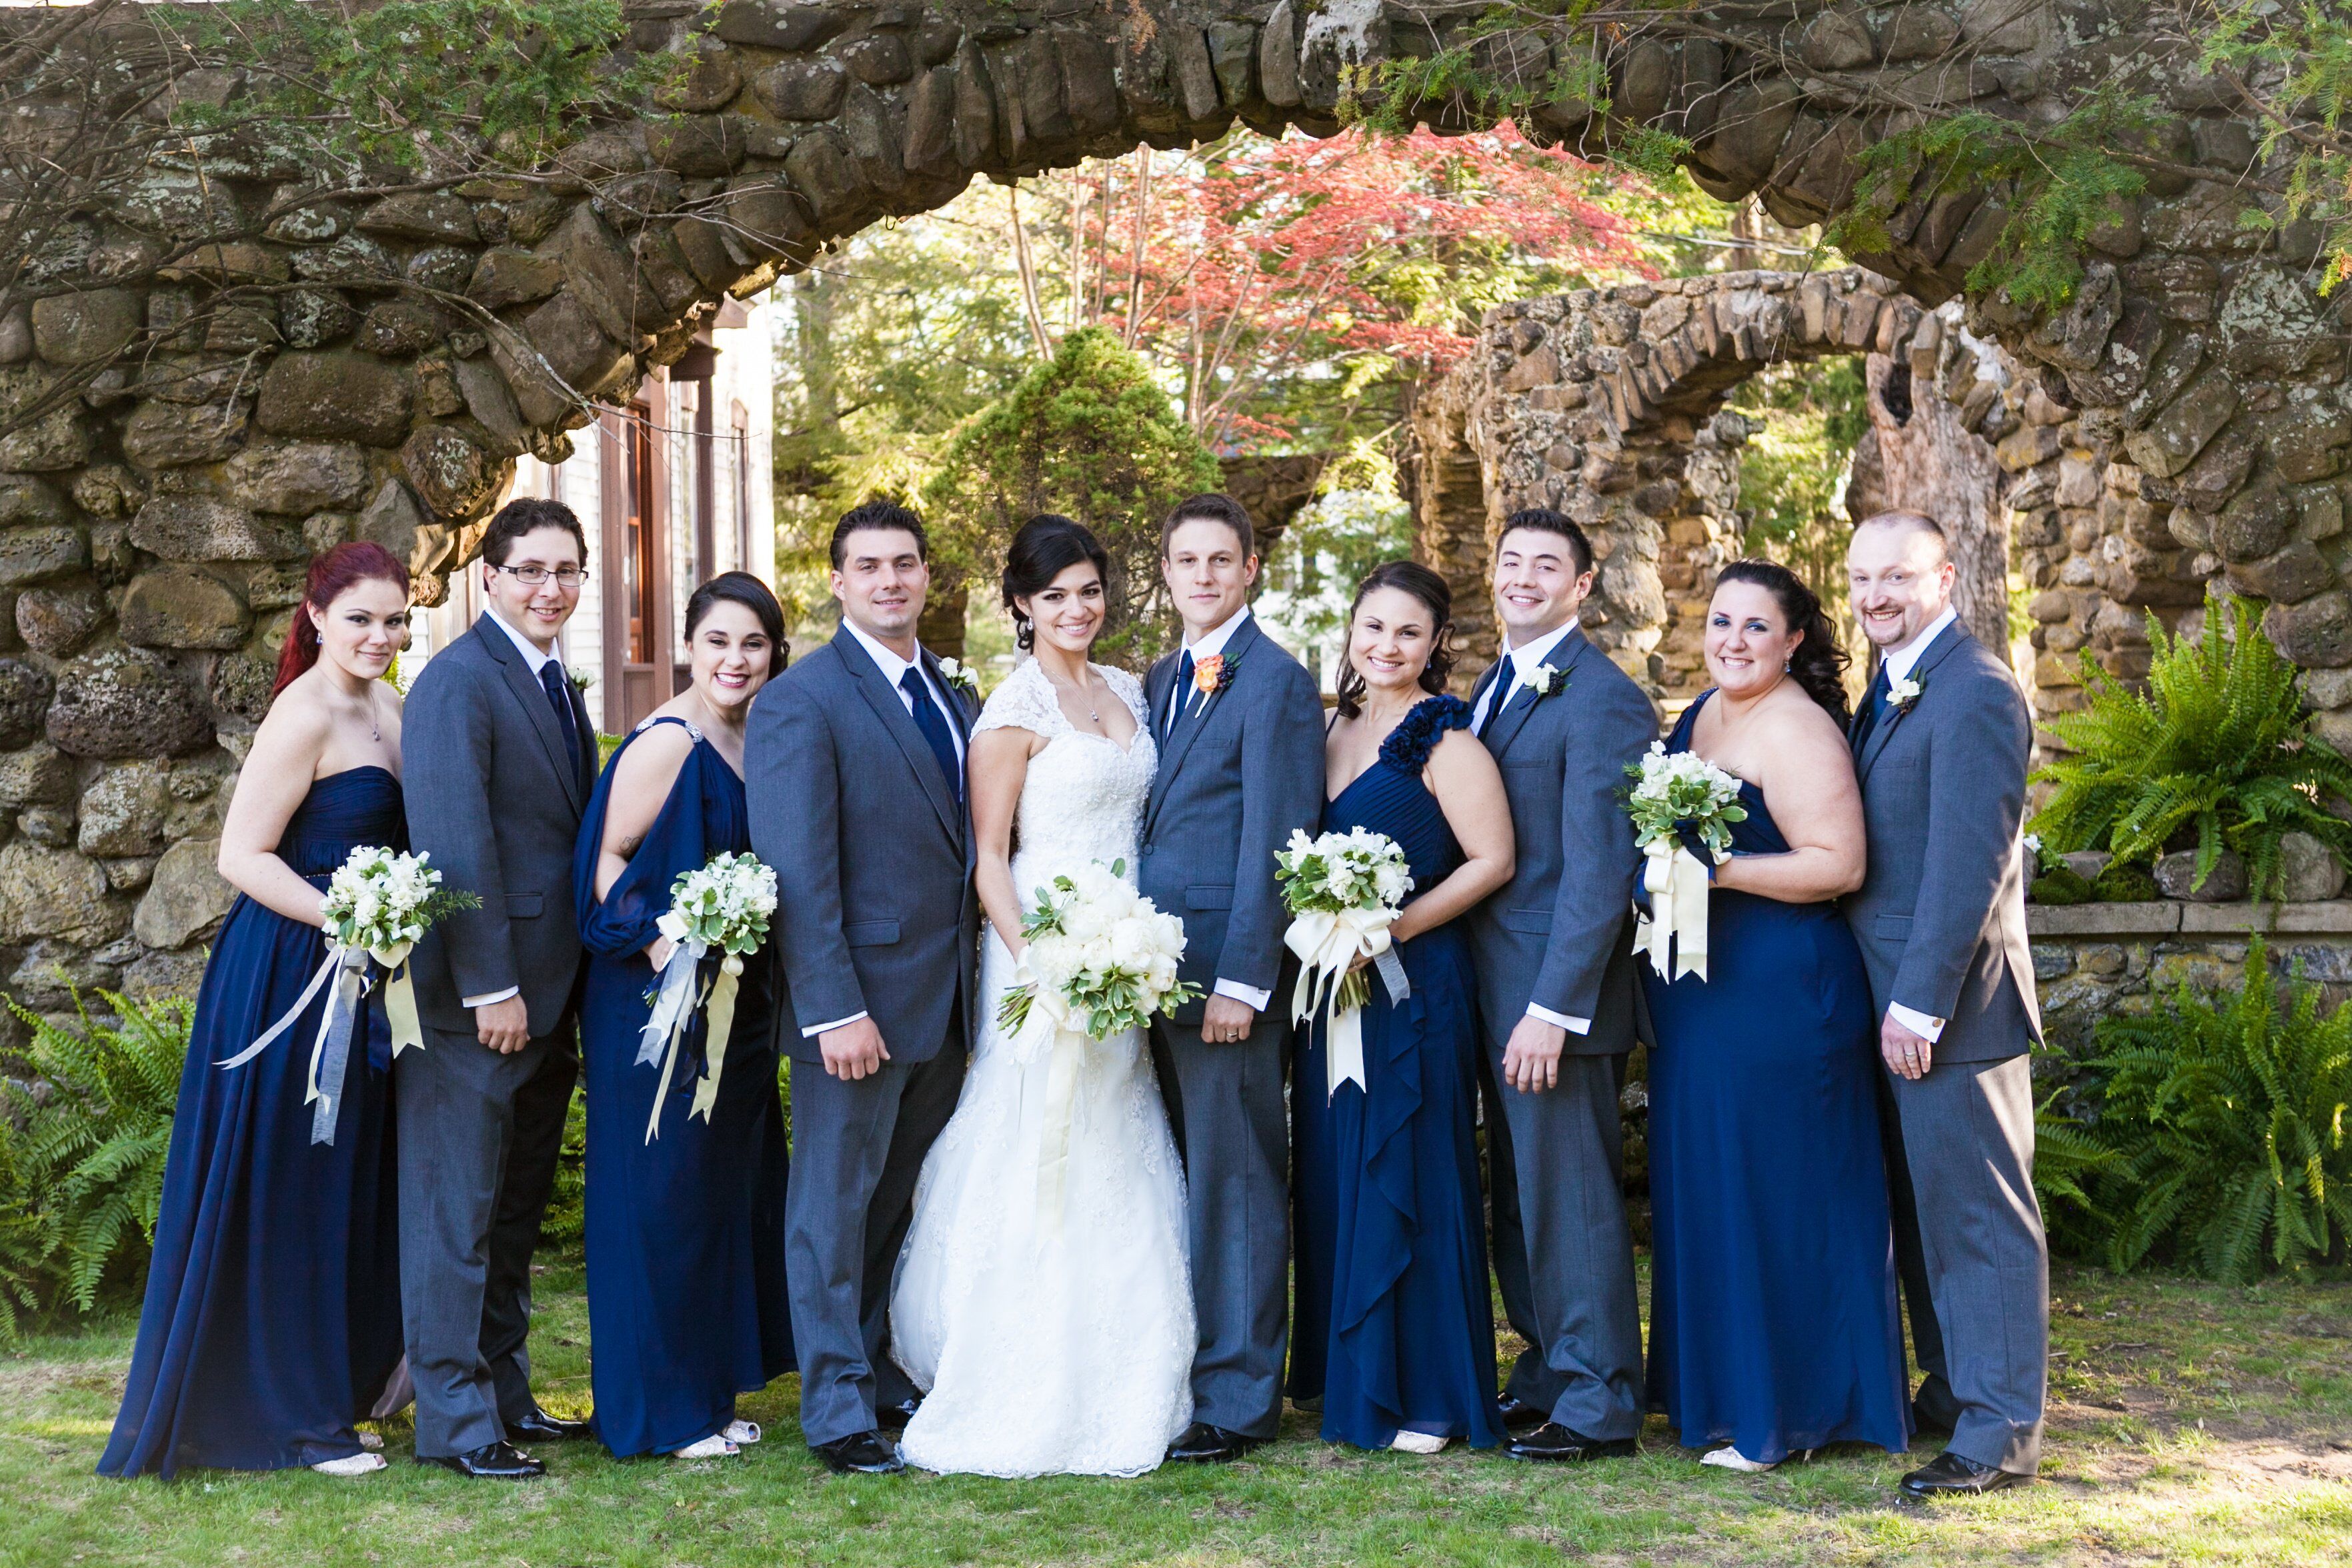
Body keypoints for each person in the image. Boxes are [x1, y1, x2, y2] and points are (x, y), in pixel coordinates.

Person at [888, 515, 1195, 1477]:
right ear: (1022, 604)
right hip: (1040, 962)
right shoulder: (1012, 710)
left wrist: (1127, 953)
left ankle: (1135, 1355)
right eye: (1055, 594)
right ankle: (1013, 1358)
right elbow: (988, 860)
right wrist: (1045, 964)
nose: (1077, 608)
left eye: (1090, 590)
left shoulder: (1132, 692)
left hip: (1129, 953)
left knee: (1119, 1129)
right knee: (1035, 1133)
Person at [99, 543, 411, 1480]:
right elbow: (242, 856)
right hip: (289, 971)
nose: (380, 636)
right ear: (315, 615)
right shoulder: (303, 712)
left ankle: (342, 1388)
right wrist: (350, 919)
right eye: (360, 618)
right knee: (292, 1185)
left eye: (395, 620)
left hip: (366, 972)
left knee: (348, 1179)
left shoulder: (391, 705)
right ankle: (293, 1419)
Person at [1640, 561, 1911, 1472]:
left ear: (1794, 641)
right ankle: (1720, 1394)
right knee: (1716, 1183)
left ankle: (1785, 1412)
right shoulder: (1706, 714)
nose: (1734, 641)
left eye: (1757, 627)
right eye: (1722, 621)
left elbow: (1838, 863)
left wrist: (1716, 872)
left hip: (1780, 992)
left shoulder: (1798, 729)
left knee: (1780, 1191)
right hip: (1701, 996)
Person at [747, 501, 980, 1476]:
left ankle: (880, 1371)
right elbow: (797, 871)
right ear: (837, 581)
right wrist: (834, 1006)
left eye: (906, 564)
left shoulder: (955, 697)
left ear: (928, 577)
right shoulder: (802, 701)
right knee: (833, 1212)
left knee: (895, 1203)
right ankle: (838, 1407)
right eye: (869, 566)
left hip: (948, 1004)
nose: (890, 581)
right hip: (859, 1006)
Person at [1843, 511, 2047, 1499]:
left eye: (1899, 576)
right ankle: (1957, 1388)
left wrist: (1919, 1006)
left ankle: (2000, 1432)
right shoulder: (1886, 688)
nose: (1878, 594)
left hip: (1955, 1009)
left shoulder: (1974, 690)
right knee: (1929, 1221)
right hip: (1890, 1000)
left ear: (1948, 577)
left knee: (1981, 1224)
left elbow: (1972, 862)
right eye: (1863, 578)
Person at [1290, 563, 1515, 1455]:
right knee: (1341, 1164)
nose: (1386, 647)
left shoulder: (1446, 740)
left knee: (1413, 1166)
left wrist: (1390, 929)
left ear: (1434, 645)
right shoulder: (1329, 725)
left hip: (1411, 984)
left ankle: (1429, 1391)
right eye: (1372, 628)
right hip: (1330, 989)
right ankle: (1353, 1374)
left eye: (1408, 634)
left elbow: (1492, 859)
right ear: (1352, 630)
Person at [574, 573, 796, 1461]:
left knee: (715, 1198)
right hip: (654, 1005)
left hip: (733, 1007)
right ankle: (657, 1413)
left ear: (774, 653)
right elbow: (605, 865)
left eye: (753, 645)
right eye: (718, 643)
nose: (735, 661)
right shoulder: (667, 742)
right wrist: (670, 952)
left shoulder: (753, 735)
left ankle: (704, 1397)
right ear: (691, 646)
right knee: (658, 1201)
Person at [399, 497, 600, 1480]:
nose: (550, 589)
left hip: (551, 994)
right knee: (459, 1209)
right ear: (491, 578)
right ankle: (455, 1419)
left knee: (514, 1210)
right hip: (482, 1003)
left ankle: (506, 1391)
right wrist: (490, 987)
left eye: (567, 571)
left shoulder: (556, 679)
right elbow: (453, 843)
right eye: (530, 571)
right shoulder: (456, 684)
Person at [1460, 508, 1653, 1463]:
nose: (1524, 578)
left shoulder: (1602, 698)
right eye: (1511, 562)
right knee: (1521, 1199)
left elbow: (1599, 871)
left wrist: (1552, 1009)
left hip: (1553, 999)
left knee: (1572, 1197)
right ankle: (1547, 1372)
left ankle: (1600, 1399)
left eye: (1548, 566)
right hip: (1494, 989)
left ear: (1583, 586)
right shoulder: (1492, 687)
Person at [1137, 494, 1326, 1463]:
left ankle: (1241, 1396)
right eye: (1187, 560)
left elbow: (1278, 842)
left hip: (1223, 981)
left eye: (1223, 559)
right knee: (1172, 1180)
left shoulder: (1280, 684)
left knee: (1237, 1183)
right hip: (1143, 975)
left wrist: (1247, 980)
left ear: (1252, 567)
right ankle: (1179, 1364)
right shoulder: (1161, 675)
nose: (1204, 575)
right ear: (1166, 571)